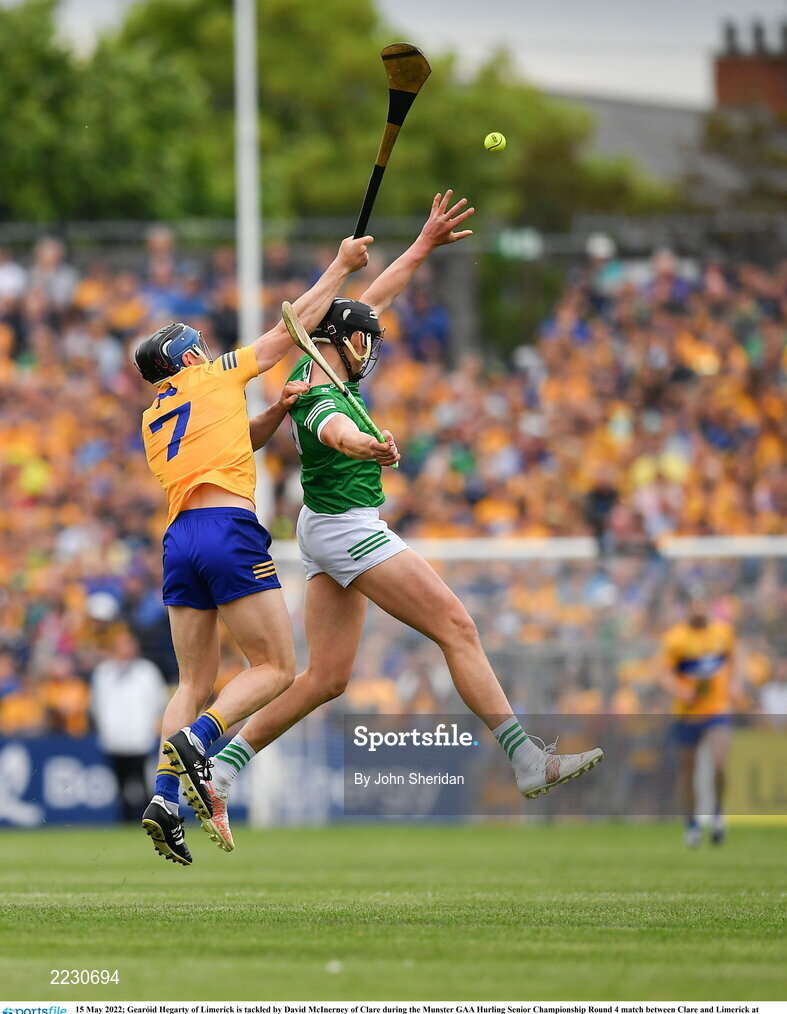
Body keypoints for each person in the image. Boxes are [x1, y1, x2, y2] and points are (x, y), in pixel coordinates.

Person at [197, 192, 603, 851]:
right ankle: (527, 757)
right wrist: (371, 445)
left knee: (326, 678)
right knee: (457, 628)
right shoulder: (321, 392)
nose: (373, 346)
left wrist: (419, 244)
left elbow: (374, 295)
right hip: (351, 530)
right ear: (343, 340)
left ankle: (222, 765)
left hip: (321, 530)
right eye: (367, 339)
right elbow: (331, 432)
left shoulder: (317, 358)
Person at [135, 232, 372, 865]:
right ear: (187, 360)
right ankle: (204, 741)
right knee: (276, 669)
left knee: (194, 680)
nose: (207, 353)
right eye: (199, 350)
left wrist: (275, 411)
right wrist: (341, 267)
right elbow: (292, 330)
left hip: (180, 538)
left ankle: (164, 797)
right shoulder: (211, 376)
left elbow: (240, 440)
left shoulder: (155, 420)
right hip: (227, 530)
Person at [659, 589, 740, 847]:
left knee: (719, 760)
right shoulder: (675, 639)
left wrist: (735, 685)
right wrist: (681, 690)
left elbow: (734, 660)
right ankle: (692, 824)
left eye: (702, 604)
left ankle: (716, 814)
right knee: (687, 771)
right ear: (687, 609)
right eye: (693, 605)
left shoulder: (723, 632)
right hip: (686, 713)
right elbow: (663, 673)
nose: (698, 610)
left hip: (717, 709)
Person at [91, 628, 168, 823]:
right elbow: (97, 705)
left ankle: (147, 819)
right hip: (114, 738)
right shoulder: (103, 672)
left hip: (139, 737)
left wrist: (152, 728)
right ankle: (125, 820)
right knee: (120, 782)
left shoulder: (147, 671)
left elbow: (159, 703)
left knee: (142, 782)